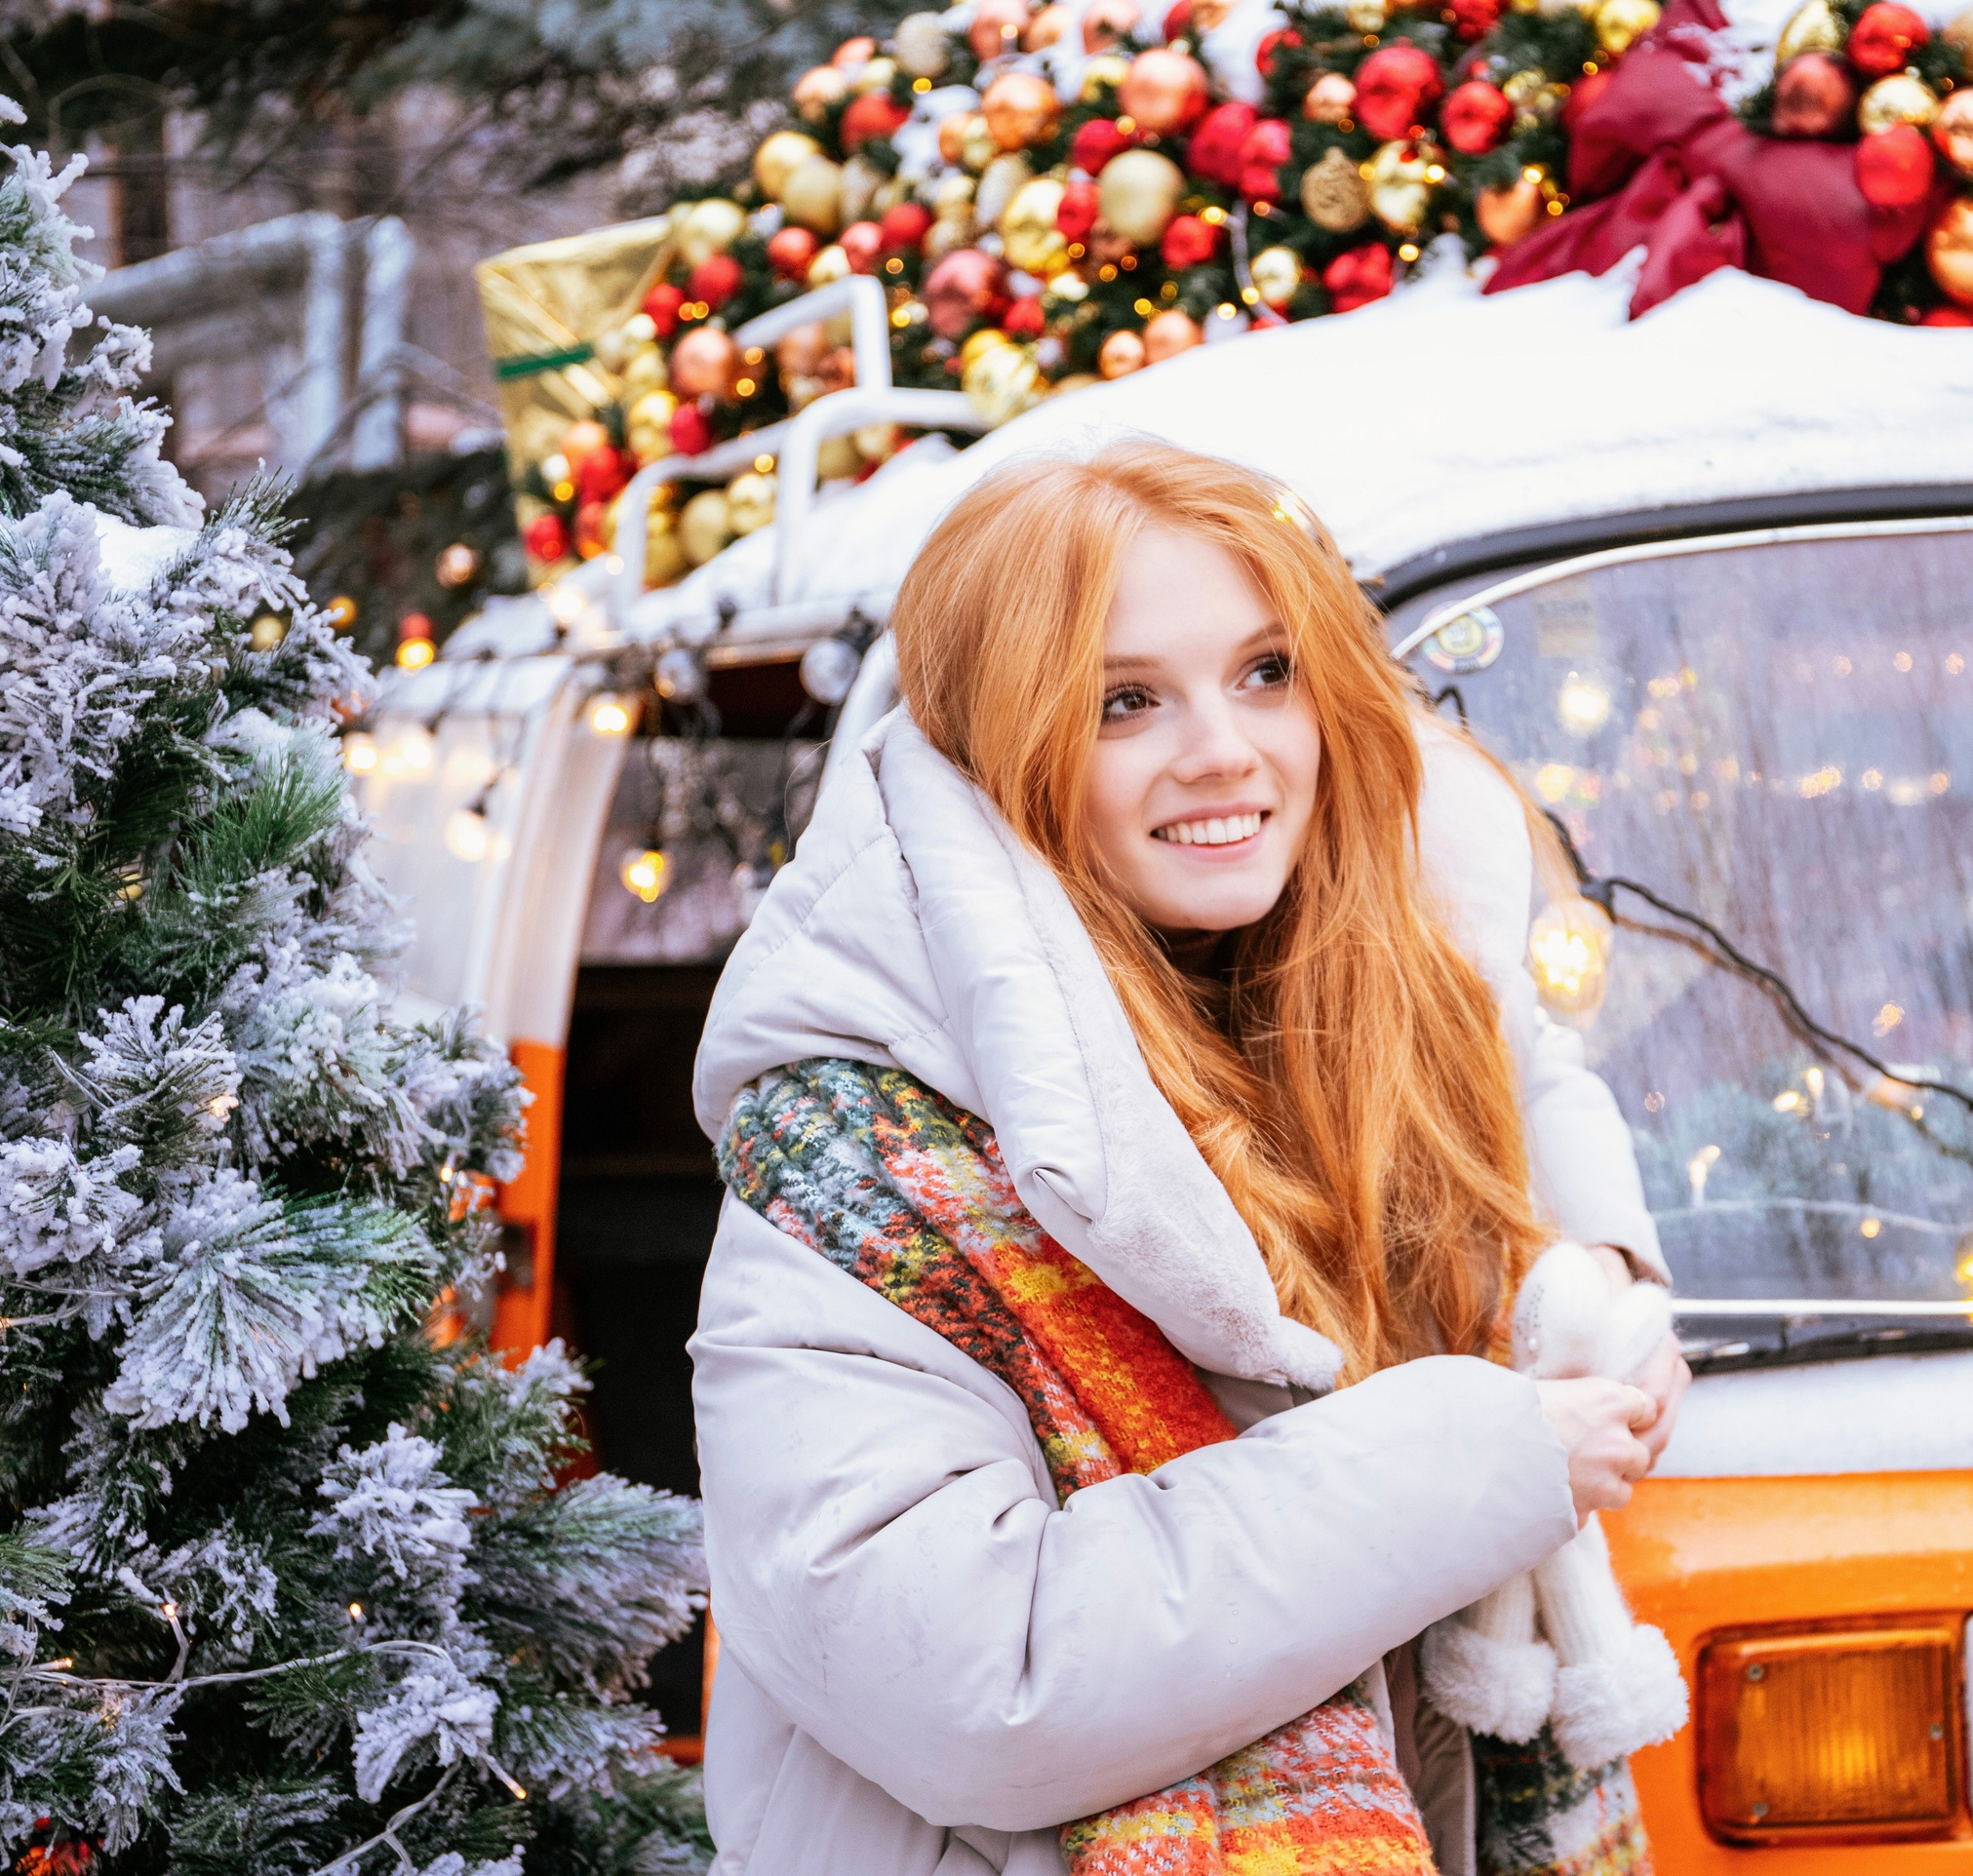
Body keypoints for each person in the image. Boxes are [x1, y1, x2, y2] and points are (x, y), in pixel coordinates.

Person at [689, 442, 1691, 1876]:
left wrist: (1599, 1288)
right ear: (1007, 746)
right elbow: (978, 1680)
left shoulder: (1357, 1016)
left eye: (1266, 672)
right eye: (1127, 701)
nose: (1225, 748)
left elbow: (1520, 1061)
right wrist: (1475, 1463)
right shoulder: (866, 1162)